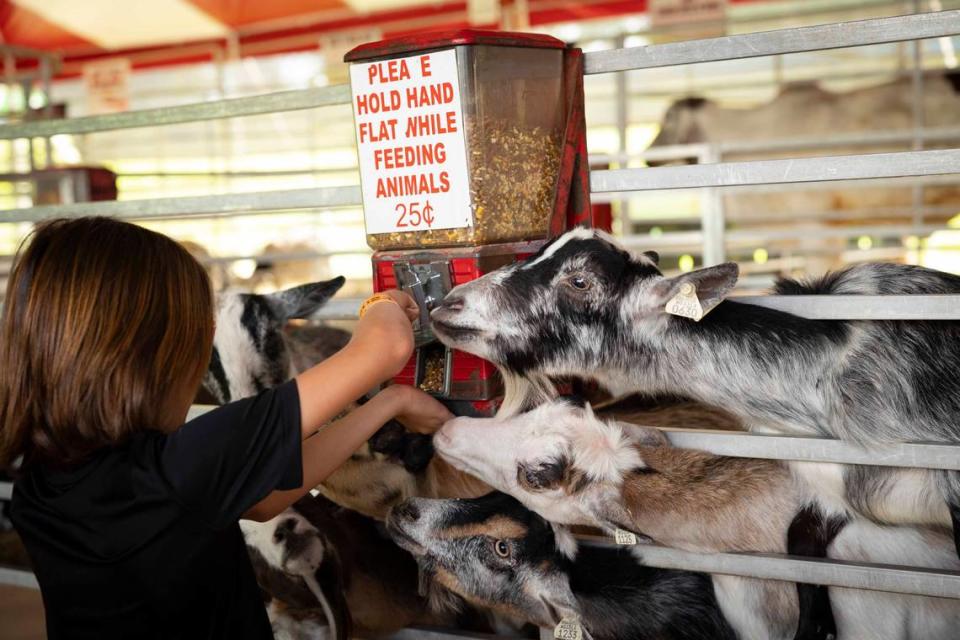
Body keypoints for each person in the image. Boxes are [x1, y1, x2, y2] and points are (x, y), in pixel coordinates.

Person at [0, 216, 454, 639]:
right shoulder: (177, 467)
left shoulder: (43, 483)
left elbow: (260, 499)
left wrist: (391, 402)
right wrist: (382, 301)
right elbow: (387, 345)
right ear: (148, 358)